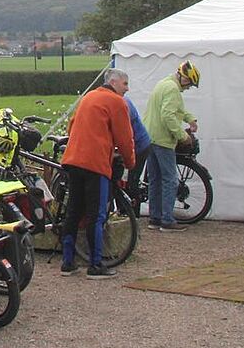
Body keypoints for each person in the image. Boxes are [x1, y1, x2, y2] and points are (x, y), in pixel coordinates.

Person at [59, 69, 137, 278]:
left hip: (73, 160)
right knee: (96, 215)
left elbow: (71, 126)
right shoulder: (117, 102)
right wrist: (130, 162)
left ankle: (67, 262)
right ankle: (95, 265)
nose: (127, 88)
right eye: (125, 83)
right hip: (95, 164)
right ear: (114, 82)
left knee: (73, 211)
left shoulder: (89, 97)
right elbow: (125, 137)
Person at [144, 61, 200, 231]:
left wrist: (190, 119)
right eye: (189, 84)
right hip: (163, 140)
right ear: (184, 78)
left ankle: (155, 218)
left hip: (150, 138)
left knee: (154, 179)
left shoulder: (163, 84)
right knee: (170, 180)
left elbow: (176, 110)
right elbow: (168, 115)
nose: (188, 88)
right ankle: (167, 220)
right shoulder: (173, 89)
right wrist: (182, 136)